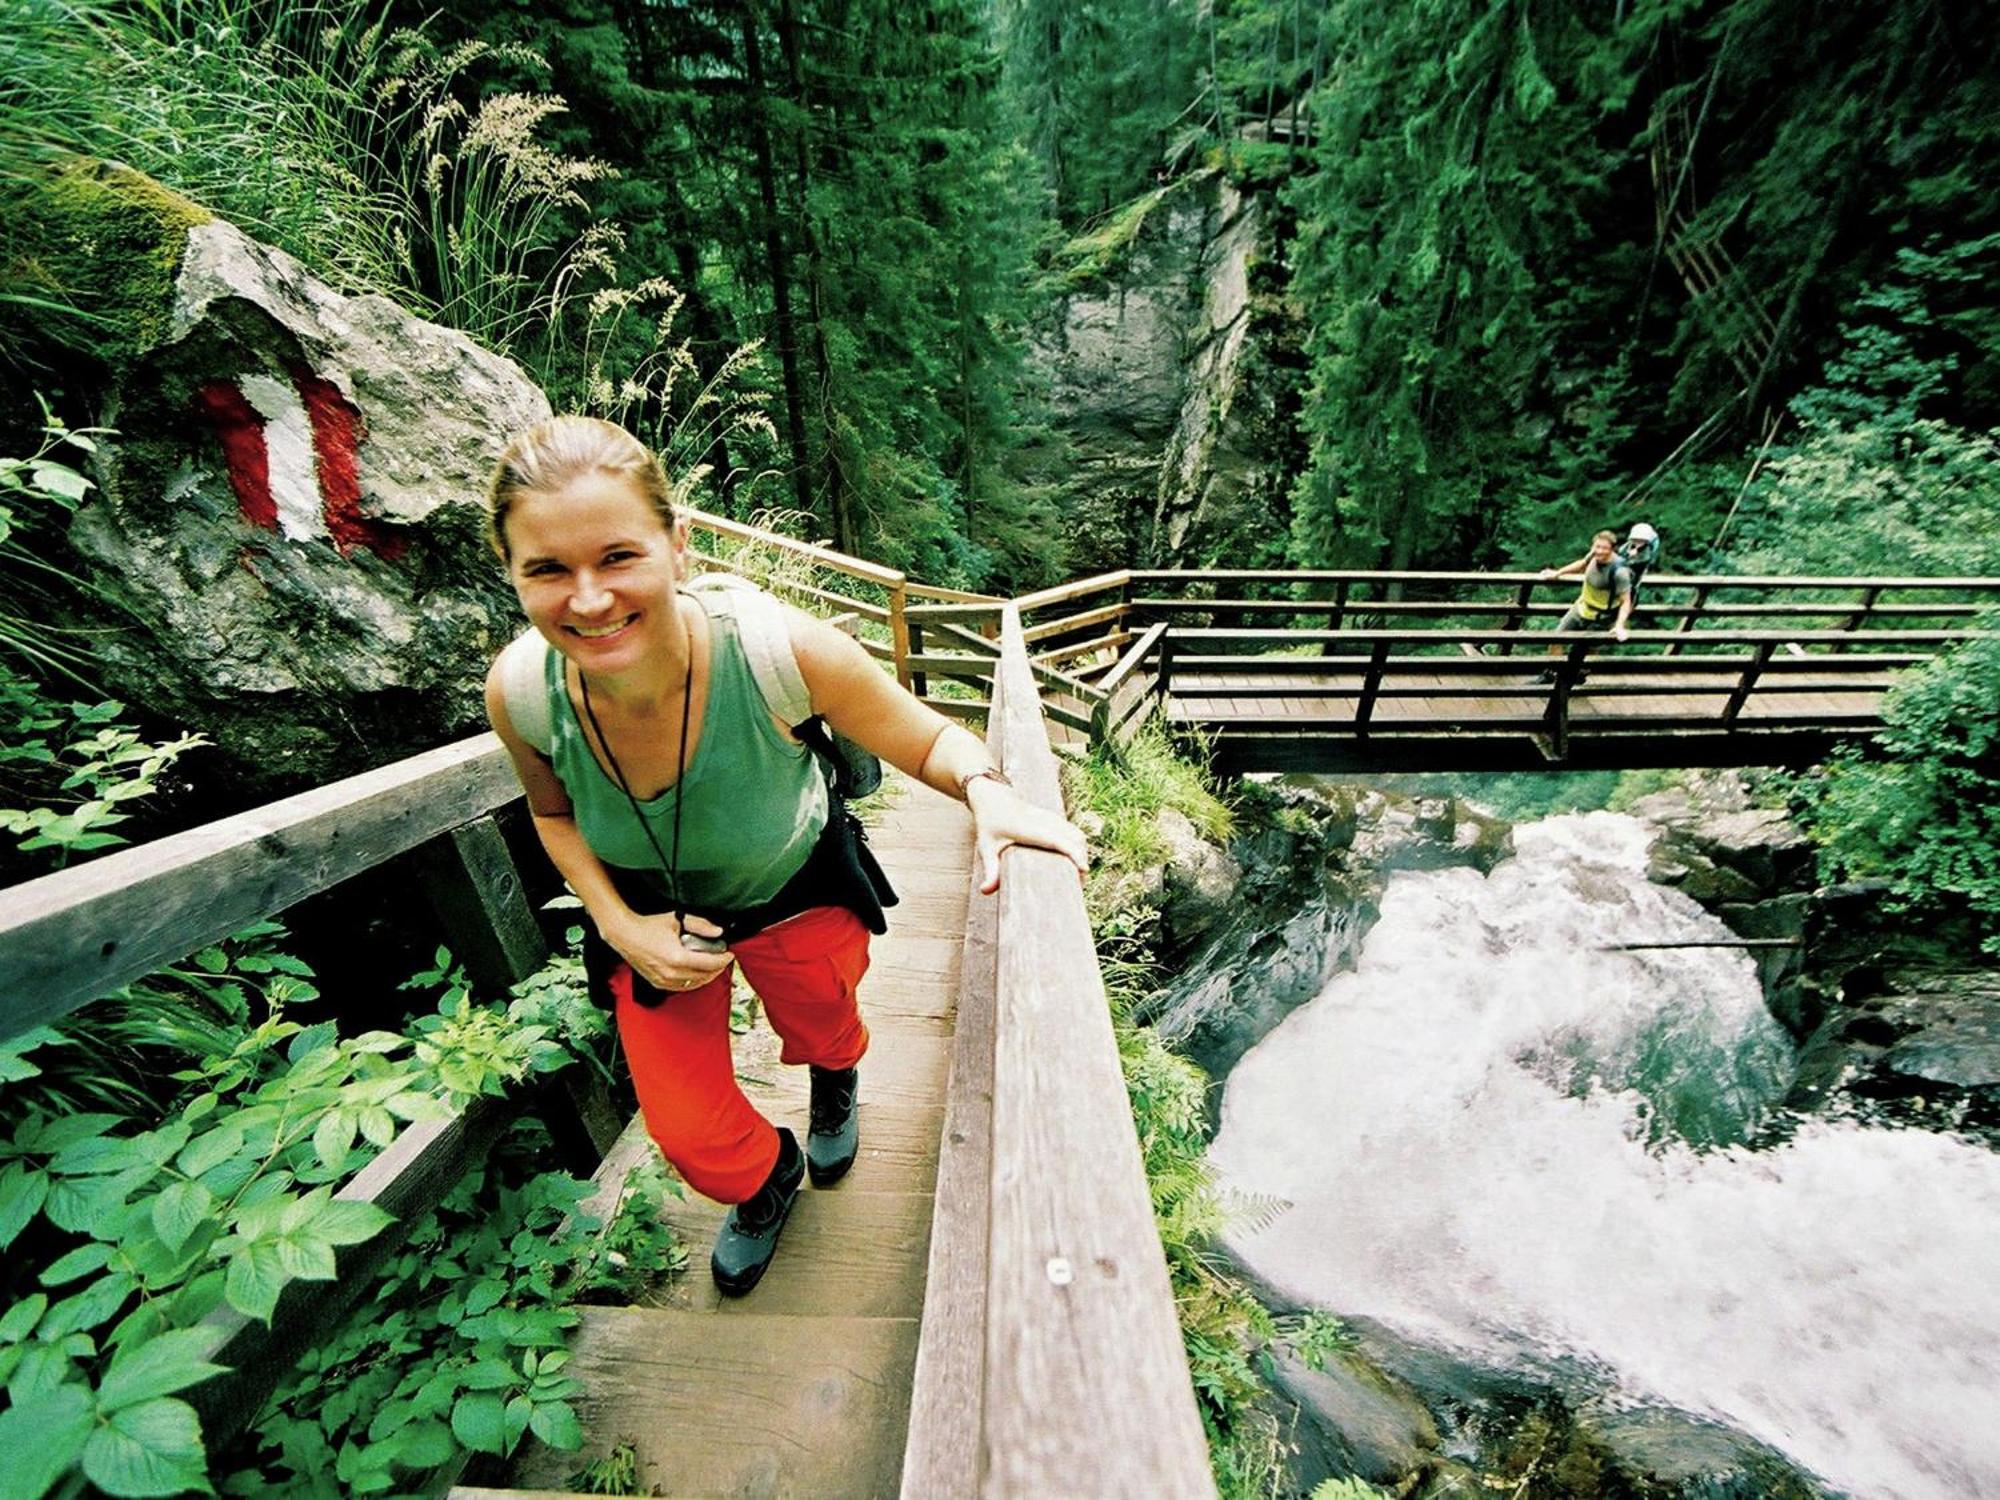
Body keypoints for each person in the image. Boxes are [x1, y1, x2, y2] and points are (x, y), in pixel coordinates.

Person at [481, 416, 1089, 1296]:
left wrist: (992, 795)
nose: (587, 599)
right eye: (547, 569)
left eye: (618, 557)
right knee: (688, 1133)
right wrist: (620, 925)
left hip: (796, 887)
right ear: (513, 577)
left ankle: (834, 1079)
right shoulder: (522, 693)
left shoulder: (777, 651)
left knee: (821, 1023)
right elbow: (553, 814)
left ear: (677, 548)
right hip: (654, 919)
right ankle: (764, 1178)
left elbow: (923, 738)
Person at [1536, 528, 1633, 680]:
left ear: (1612, 549)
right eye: (1597, 547)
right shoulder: (1593, 556)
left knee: (1586, 651)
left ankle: (1578, 676)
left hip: (1600, 616)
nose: (1599, 551)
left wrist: (1620, 625)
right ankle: (1550, 673)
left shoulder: (1620, 572)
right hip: (1581, 607)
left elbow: (1626, 601)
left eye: (1604, 548)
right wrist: (1558, 573)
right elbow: (1582, 564)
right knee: (1557, 637)